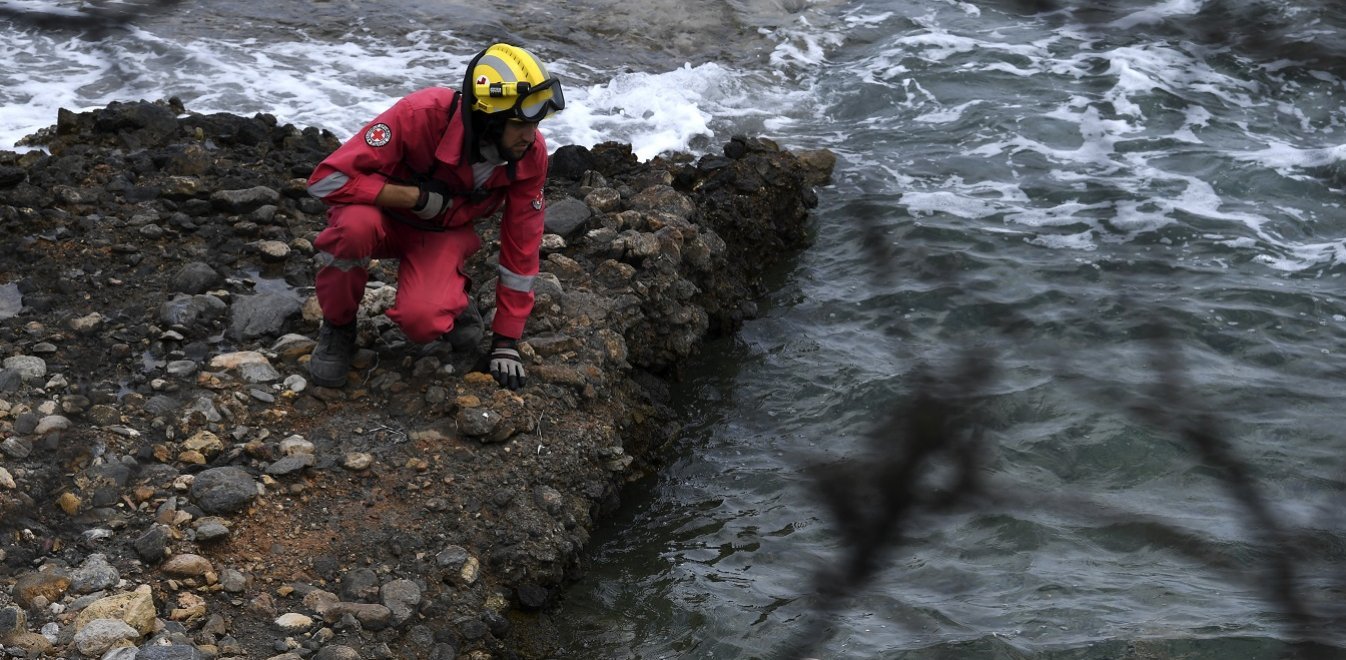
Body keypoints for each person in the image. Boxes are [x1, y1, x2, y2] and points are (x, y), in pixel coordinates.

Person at [304, 42, 565, 391]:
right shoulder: (420, 114)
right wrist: (412, 197)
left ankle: (454, 301)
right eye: (519, 124)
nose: (531, 136)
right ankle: (338, 327)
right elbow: (326, 180)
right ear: (487, 118)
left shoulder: (530, 154)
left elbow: (523, 245)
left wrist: (506, 340)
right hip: (380, 220)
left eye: (535, 123)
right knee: (353, 227)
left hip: (441, 236)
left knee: (422, 322)